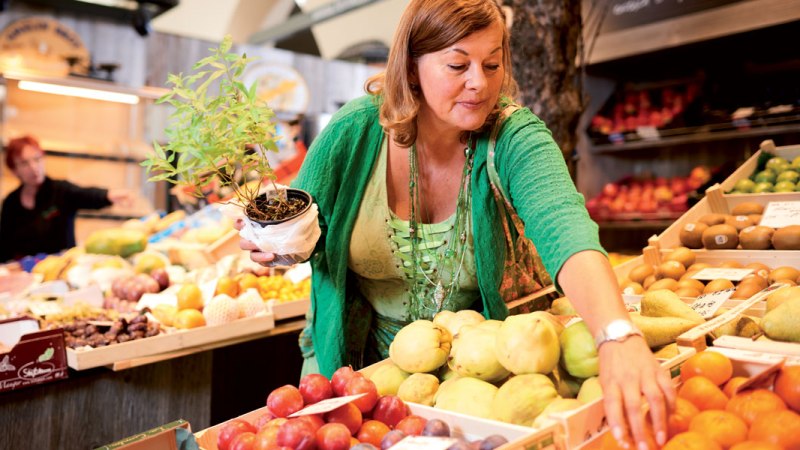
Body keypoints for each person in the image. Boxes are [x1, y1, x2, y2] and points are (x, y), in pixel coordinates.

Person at [238, 1, 675, 447]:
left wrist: (617, 335)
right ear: (411, 68)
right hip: (355, 381)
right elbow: (303, 222)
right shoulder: (353, 132)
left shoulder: (513, 137)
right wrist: (275, 246)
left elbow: (565, 227)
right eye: (457, 64)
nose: (479, 83)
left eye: (492, 64)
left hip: (473, 387)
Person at [0, 135, 132, 261]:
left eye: (37, 159)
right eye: (24, 163)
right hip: (25, 273)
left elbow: (86, 195)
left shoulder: (61, 190)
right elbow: (4, 245)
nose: (34, 167)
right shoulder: (11, 203)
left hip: (62, 267)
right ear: (14, 170)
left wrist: (109, 195)